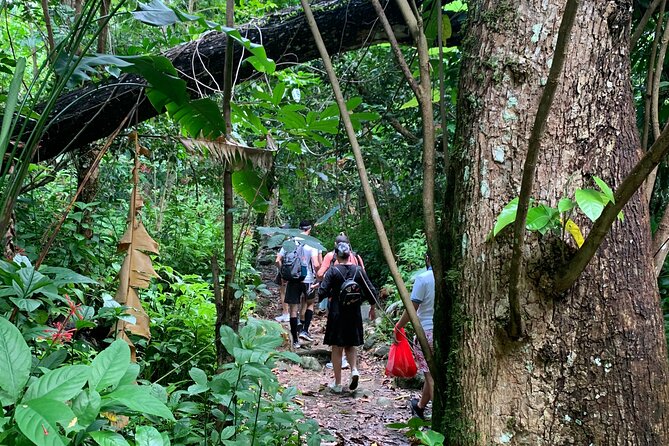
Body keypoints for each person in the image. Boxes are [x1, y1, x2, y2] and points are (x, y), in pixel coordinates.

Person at [318, 241, 377, 393]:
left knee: (336, 348)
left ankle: (337, 383)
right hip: (354, 313)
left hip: (337, 313)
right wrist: (372, 307)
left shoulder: (333, 271)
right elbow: (370, 289)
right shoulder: (358, 270)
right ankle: (354, 370)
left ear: (336, 255)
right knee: (351, 345)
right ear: (350, 255)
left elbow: (322, 292)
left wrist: (316, 292)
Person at [317, 232, 365, 370]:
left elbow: (320, 275)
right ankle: (353, 369)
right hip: (354, 303)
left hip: (337, 302)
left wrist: (326, 281)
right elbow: (364, 279)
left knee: (337, 336)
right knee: (350, 338)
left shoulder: (330, 257)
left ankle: (339, 370)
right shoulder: (356, 258)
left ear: (335, 246)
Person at [394, 254, 434, 419]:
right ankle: (420, 407)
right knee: (430, 373)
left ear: (427, 258)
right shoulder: (448, 276)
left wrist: (398, 326)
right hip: (445, 333)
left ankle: (439, 417)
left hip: (426, 332)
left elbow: (412, 308)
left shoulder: (423, 278)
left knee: (430, 377)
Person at [276, 220, 321, 348]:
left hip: (292, 280)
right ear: (309, 229)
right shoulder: (312, 243)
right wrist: (319, 277)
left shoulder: (289, 242)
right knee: (310, 304)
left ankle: (295, 340)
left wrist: (284, 274)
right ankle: (305, 330)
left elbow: (278, 260)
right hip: (308, 279)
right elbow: (316, 264)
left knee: (293, 310)